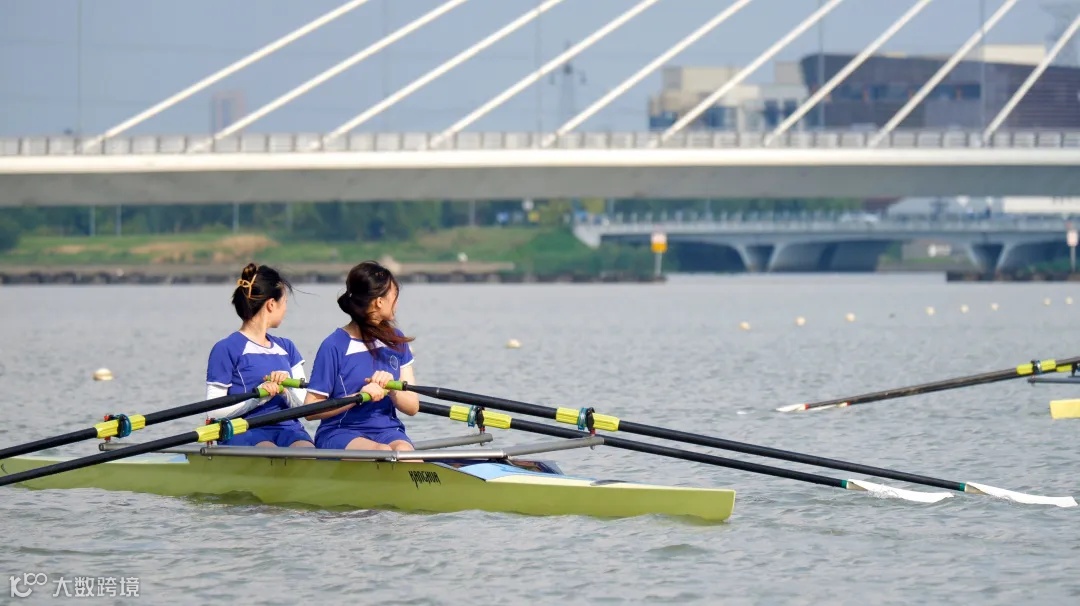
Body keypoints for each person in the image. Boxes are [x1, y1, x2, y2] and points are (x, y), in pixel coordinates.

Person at [305, 260, 419, 451]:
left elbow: (413, 407)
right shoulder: (334, 345)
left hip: (388, 431)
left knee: (404, 451)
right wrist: (359, 396)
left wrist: (392, 389)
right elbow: (311, 408)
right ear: (379, 302)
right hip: (340, 431)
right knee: (382, 451)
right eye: (395, 296)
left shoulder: (396, 340)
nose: (397, 303)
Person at [204, 263, 314, 448]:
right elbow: (214, 412)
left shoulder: (287, 348)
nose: (285, 309)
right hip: (244, 428)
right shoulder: (226, 348)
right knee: (269, 451)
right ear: (271, 304)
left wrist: (285, 391)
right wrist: (257, 398)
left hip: (288, 428)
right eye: (285, 303)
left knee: (307, 453)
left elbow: (305, 406)